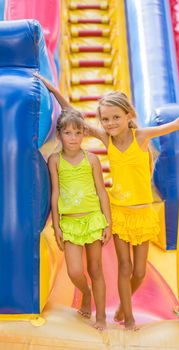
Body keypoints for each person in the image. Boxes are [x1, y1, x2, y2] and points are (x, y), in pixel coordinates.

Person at [34, 72, 179, 330]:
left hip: (143, 214)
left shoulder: (142, 137)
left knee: (139, 272)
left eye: (116, 117)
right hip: (119, 213)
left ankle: (121, 307)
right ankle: (127, 317)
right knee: (124, 267)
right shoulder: (107, 140)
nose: (110, 123)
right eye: (105, 119)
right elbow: (74, 114)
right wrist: (52, 89)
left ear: (129, 116)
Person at [47, 107, 112, 331]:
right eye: (68, 133)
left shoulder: (91, 159)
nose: (73, 138)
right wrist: (56, 225)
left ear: (84, 134)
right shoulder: (55, 160)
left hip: (93, 219)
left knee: (96, 269)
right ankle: (86, 292)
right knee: (74, 270)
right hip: (70, 223)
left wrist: (108, 223)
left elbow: (102, 192)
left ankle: (101, 317)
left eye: (78, 133)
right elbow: (55, 193)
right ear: (59, 135)